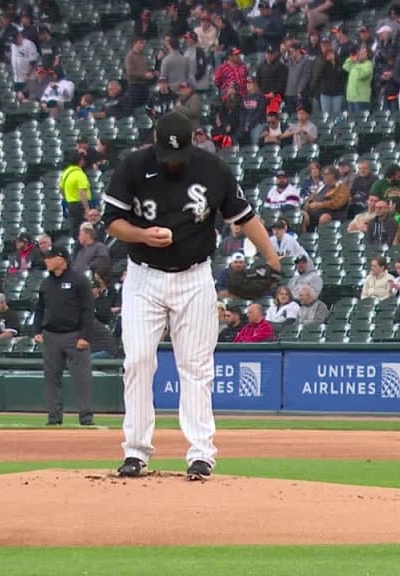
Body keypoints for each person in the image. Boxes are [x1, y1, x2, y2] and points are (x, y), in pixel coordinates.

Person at [102, 111, 281, 480]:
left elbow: (245, 216)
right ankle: (135, 451)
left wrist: (272, 258)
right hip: (143, 278)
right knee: (136, 361)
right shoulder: (134, 167)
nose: (174, 163)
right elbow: (112, 221)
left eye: (180, 155)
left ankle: (201, 453)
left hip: (194, 277)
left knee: (196, 367)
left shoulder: (211, 169)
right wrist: (142, 235)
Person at [32, 247, 96, 427]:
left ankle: (86, 416)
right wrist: (37, 330)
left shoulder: (78, 280)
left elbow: (88, 310)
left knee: (81, 378)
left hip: (74, 335)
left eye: (50, 258)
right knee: (51, 378)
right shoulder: (46, 283)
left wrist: (85, 336)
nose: (47, 261)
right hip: (51, 335)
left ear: (61, 259)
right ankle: (54, 417)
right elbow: (39, 309)